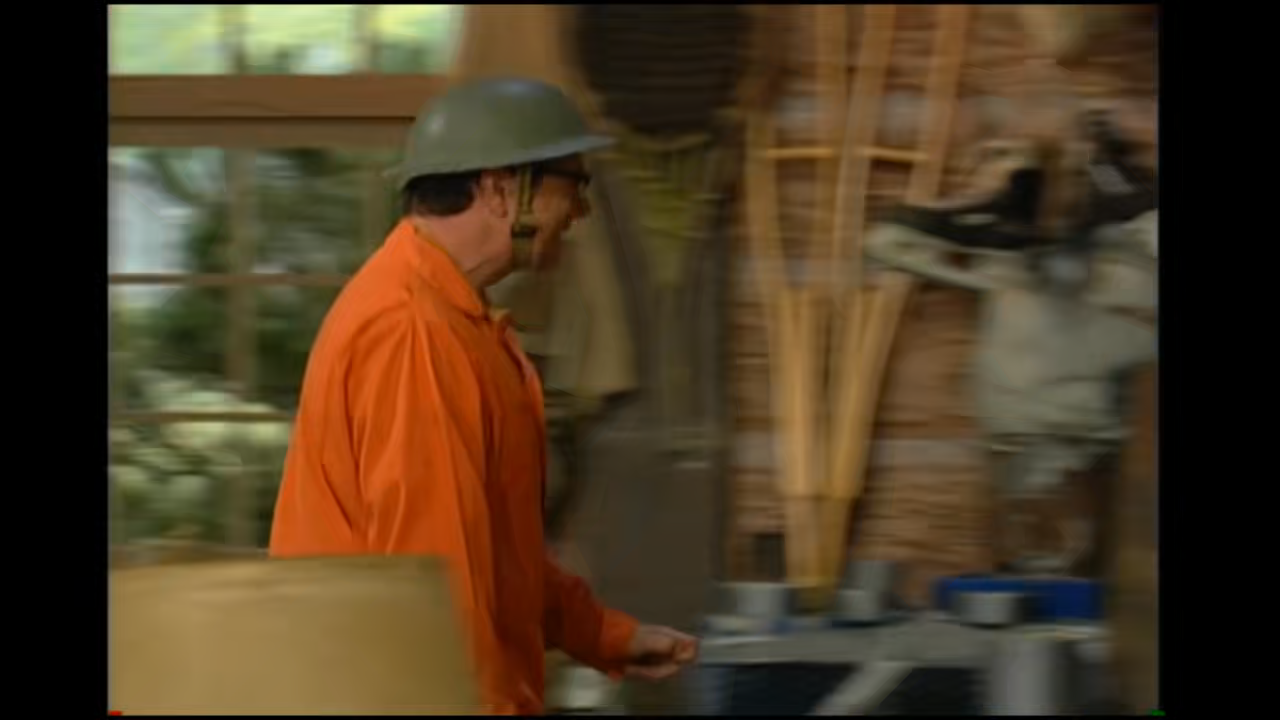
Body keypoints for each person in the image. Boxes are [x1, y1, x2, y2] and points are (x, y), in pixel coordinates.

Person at [268, 77, 698, 714]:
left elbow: (495, 554)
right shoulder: (413, 332)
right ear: (501, 190)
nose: (580, 212)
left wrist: (604, 635)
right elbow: (439, 594)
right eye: (572, 186)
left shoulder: (459, 324)